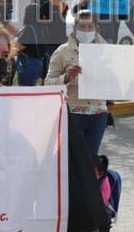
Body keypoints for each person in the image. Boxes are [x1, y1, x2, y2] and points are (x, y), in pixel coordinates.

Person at [45, 10, 112, 155]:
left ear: (96, 28)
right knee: (71, 157)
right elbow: (47, 83)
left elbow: (118, 78)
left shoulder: (109, 51)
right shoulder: (62, 52)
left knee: (91, 157)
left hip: (98, 114)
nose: (86, 30)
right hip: (72, 113)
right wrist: (66, 78)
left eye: (90, 26)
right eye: (82, 26)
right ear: (75, 29)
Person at [15, 4, 45, 87]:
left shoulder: (28, 29)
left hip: (28, 64)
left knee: (24, 90)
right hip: (39, 63)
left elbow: (19, 47)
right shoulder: (42, 28)